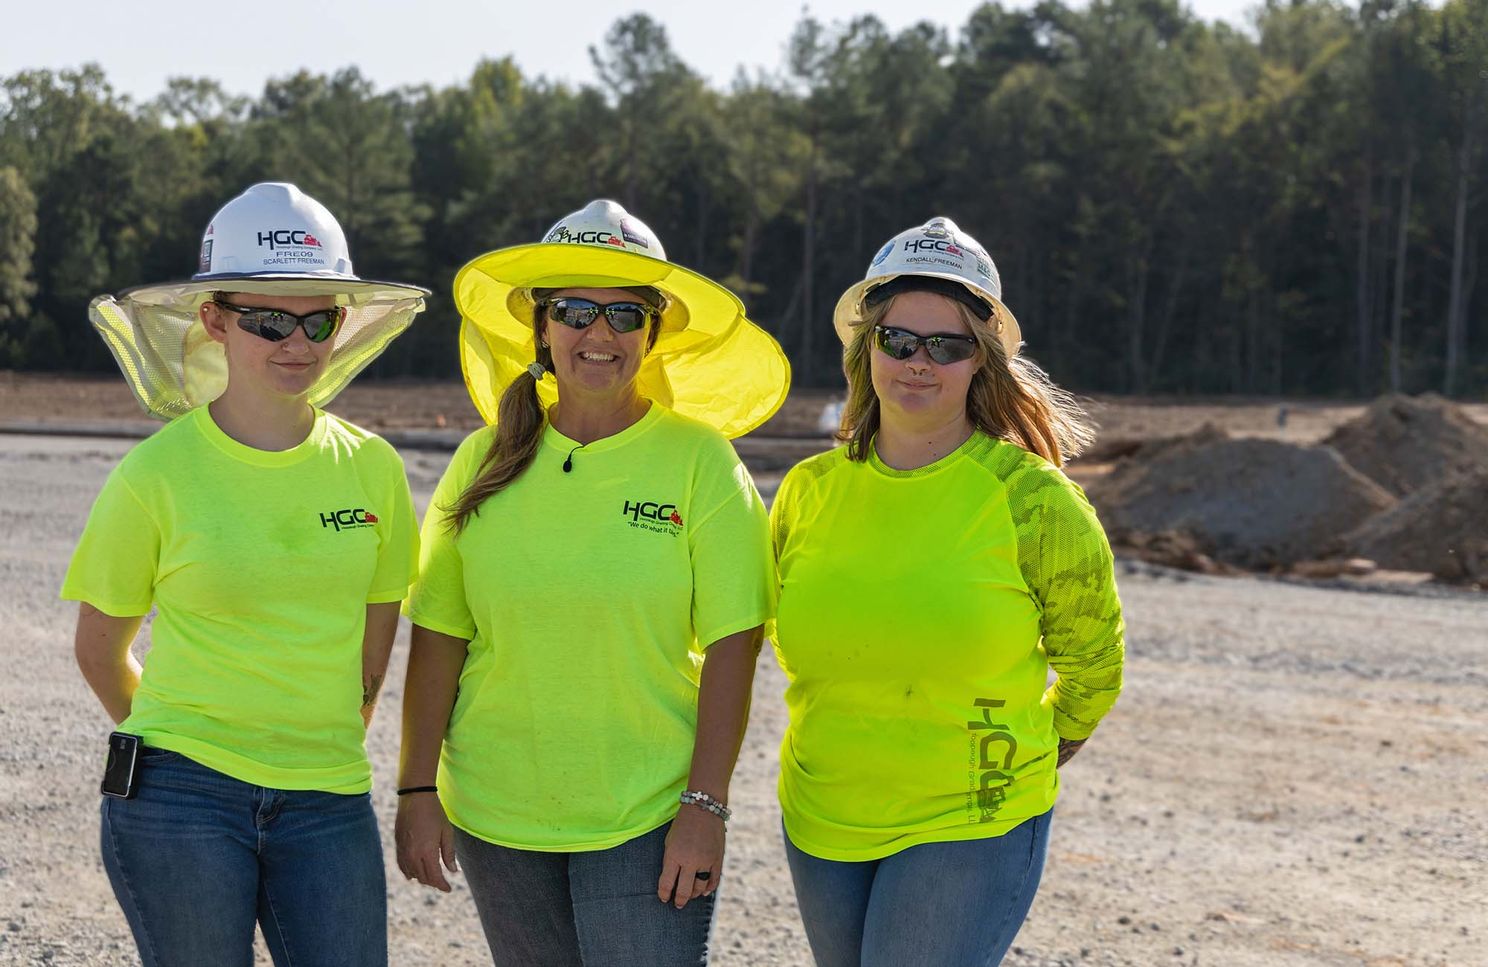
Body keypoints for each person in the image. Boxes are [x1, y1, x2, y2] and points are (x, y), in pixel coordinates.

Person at [395, 199, 790, 966]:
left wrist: (704, 806)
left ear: (654, 331)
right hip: (495, 813)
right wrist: (416, 788)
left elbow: (736, 646)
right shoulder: (482, 458)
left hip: (645, 814)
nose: (598, 334)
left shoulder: (700, 462)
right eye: (575, 310)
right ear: (542, 327)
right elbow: (440, 634)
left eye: (624, 314)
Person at [63, 182, 428, 967]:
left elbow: (373, 652)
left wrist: (306, 740)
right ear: (214, 319)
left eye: (319, 318)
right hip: (180, 798)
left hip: (328, 799)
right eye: (268, 318)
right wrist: (191, 739)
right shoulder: (152, 475)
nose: (296, 341)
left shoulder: (374, 470)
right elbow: (98, 650)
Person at [769, 216, 1125, 966]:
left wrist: (1020, 750)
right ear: (868, 349)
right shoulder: (807, 492)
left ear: (981, 361)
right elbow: (769, 631)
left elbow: (1094, 663)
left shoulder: (1033, 500)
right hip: (821, 813)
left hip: (970, 817)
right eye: (898, 340)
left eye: (947, 345)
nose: (917, 363)